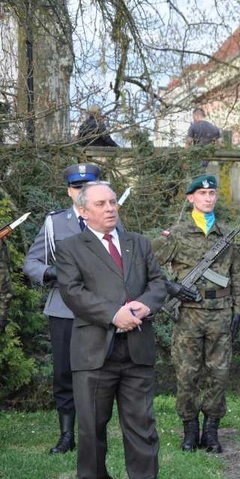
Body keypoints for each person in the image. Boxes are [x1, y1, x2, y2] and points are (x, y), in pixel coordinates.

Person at [55, 182, 167, 479]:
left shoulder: (139, 243)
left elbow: (158, 282)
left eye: (113, 202)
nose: (110, 208)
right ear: (83, 211)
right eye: (101, 204)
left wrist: (145, 305)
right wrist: (113, 314)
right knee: (91, 431)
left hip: (137, 351)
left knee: (143, 429)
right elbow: (72, 292)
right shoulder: (70, 249)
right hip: (93, 354)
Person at [153, 174, 240, 454]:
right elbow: (149, 265)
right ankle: (190, 431)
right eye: (202, 194)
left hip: (220, 313)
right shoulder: (177, 233)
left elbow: (238, 275)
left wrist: (239, 309)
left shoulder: (225, 234)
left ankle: (212, 431)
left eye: (212, 194)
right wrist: (171, 287)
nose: (208, 198)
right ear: (191, 198)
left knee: (218, 374)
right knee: (187, 373)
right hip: (188, 315)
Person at [22, 163, 110, 455]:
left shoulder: (109, 220)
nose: (81, 192)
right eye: (76, 188)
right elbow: (31, 263)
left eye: (88, 186)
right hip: (63, 309)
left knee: (99, 371)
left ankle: (93, 432)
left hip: (99, 308)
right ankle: (66, 435)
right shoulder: (55, 224)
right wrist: (51, 273)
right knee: (63, 373)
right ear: (69, 191)